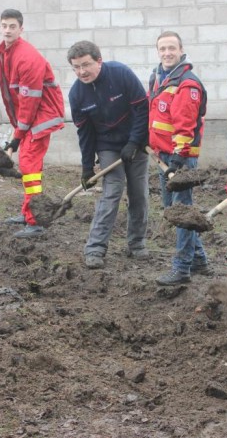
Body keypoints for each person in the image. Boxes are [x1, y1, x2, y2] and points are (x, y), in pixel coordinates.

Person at [67, 41, 150, 270]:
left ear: (99, 61)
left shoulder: (121, 74)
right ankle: (95, 248)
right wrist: (86, 167)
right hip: (107, 146)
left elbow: (143, 108)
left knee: (138, 193)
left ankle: (137, 244)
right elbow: (84, 132)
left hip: (137, 142)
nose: (82, 72)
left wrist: (134, 142)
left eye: (86, 65)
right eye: (76, 67)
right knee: (112, 190)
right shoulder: (77, 94)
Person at [148, 31, 212, 285]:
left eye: (171, 48)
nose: (166, 53)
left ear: (181, 49)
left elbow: (184, 125)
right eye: (162, 48)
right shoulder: (158, 78)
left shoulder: (187, 83)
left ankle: (182, 267)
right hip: (163, 156)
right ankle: (199, 260)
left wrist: (176, 159)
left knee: (181, 212)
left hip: (180, 160)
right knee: (174, 210)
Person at [0, 9, 65, 239]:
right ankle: (28, 214)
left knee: (29, 168)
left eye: (12, 26)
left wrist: (18, 134)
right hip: (30, 119)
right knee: (27, 168)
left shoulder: (27, 57)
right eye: (4, 25)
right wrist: (17, 133)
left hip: (39, 118)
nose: (7, 30)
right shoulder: (8, 52)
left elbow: (29, 101)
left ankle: (36, 222)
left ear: (21, 29)